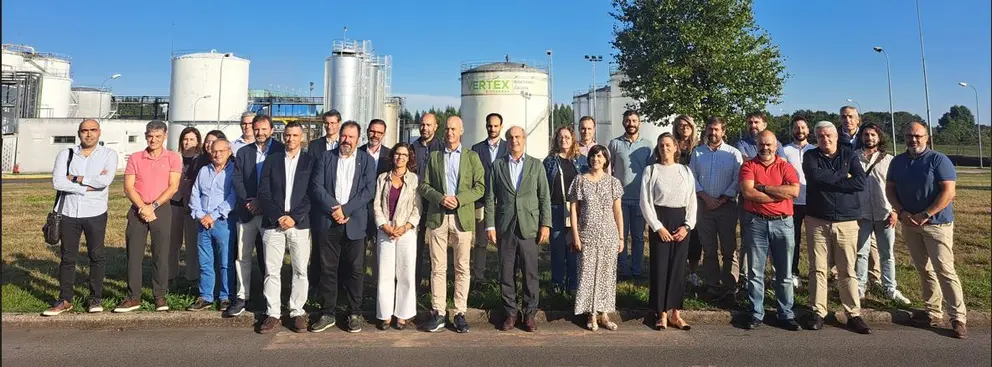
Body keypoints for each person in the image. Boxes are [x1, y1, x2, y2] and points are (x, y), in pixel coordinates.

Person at [886, 121, 968, 339]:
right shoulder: (898, 162)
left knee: (944, 270)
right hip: (909, 224)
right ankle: (933, 312)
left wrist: (926, 214)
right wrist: (901, 211)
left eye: (918, 136)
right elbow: (890, 190)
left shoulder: (938, 160)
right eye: (909, 136)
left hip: (936, 224)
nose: (913, 140)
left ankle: (958, 317)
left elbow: (949, 192)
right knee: (924, 269)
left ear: (927, 137)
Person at [42, 119, 118, 316]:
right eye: (85, 131)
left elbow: (105, 181)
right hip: (68, 212)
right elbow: (58, 182)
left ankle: (95, 298)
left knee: (96, 256)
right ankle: (65, 299)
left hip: (95, 212)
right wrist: (86, 187)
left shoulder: (108, 154)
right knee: (68, 258)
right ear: (79, 133)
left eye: (93, 130)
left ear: (99, 132)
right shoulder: (66, 154)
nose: (89, 134)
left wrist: (75, 178)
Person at [801, 121, 870, 334]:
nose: (825, 139)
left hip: (847, 221)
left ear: (836, 136)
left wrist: (831, 179)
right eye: (821, 136)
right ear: (816, 138)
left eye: (829, 135)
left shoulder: (850, 154)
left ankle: (853, 313)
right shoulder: (810, 156)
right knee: (818, 269)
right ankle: (818, 311)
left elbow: (860, 183)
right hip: (817, 219)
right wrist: (843, 174)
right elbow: (815, 178)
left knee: (847, 269)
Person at [419, 116, 486, 333]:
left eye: (454, 129)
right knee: (438, 267)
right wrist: (439, 197)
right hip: (438, 217)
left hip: (462, 218)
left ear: (461, 131)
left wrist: (460, 199)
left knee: (462, 267)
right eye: (447, 129)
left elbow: (480, 187)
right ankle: (438, 311)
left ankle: (459, 312)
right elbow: (424, 186)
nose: (450, 132)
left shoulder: (471, 157)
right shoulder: (435, 157)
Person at [309, 120, 377, 333]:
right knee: (328, 269)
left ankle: (354, 312)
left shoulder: (366, 161)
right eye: (344, 136)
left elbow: (368, 191)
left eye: (351, 137)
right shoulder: (326, 158)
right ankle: (328, 312)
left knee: (355, 270)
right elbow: (316, 187)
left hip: (354, 223)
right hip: (329, 222)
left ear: (358, 139)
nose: (346, 140)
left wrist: (346, 210)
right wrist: (334, 209)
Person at [486, 126, 551, 332]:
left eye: (518, 137)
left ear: (524, 139)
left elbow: (544, 197)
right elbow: (490, 198)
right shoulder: (498, 166)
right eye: (511, 137)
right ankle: (510, 313)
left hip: (529, 226)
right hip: (505, 226)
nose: (514, 140)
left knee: (530, 273)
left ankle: (530, 314)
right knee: (506, 272)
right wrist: (490, 225)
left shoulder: (535, 165)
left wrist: (545, 224)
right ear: (507, 141)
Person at [114, 120, 181, 313]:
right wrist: (143, 207)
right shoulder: (135, 157)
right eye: (150, 136)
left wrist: (154, 206)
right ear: (145, 136)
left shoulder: (173, 158)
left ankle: (159, 295)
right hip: (138, 208)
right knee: (134, 254)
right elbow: (128, 187)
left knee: (161, 254)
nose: (154, 140)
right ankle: (133, 297)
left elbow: (173, 186)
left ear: (165, 136)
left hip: (161, 208)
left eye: (158, 136)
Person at [738, 130, 800, 331]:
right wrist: (779, 193)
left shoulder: (785, 166)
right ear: (757, 145)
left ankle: (785, 313)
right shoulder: (749, 165)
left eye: (769, 144)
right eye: (761, 144)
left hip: (783, 223)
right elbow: (748, 192)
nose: (765, 148)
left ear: (776, 145)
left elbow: (794, 191)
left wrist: (763, 188)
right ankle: (756, 312)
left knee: (784, 272)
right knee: (755, 271)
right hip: (756, 223)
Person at [256, 122, 314, 334]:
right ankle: (273, 313)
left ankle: (297, 311)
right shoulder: (272, 160)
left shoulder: (309, 161)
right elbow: (264, 191)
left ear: (302, 137)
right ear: (283, 137)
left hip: (299, 224)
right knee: (272, 270)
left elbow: (312, 193)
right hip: (274, 223)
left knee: (300, 270)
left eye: (295, 135)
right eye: (288, 135)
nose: (291, 139)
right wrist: (278, 215)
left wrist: (294, 217)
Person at [639, 133, 698, 331]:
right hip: (660, 221)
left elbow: (692, 200)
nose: (664, 148)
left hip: (681, 222)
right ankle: (661, 313)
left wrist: (687, 226)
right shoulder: (651, 170)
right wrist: (657, 227)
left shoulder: (685, 171)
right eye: (661, 145)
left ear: (675, 148)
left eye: (668, 145)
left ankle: (675, 313)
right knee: (660, 267)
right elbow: (645, 202)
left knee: (678, 269)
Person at [230, 114, 285, 317]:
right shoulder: (243, 152)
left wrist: (264, 203)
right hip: (247, 212)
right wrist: (249, 201)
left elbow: (282, 182)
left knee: (271, 260)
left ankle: (270, 299)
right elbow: (237, 179)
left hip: (271, 214)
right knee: (242, 257)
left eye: (264, 129)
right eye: (257, 129)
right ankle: (242, 297)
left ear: (271, 130)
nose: (260, 133)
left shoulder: (280, 150)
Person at [854, 123, 911, 304]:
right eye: (865, 134)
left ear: (879, 137)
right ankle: (860, 287)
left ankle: (890, 288)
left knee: (887, 254)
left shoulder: (889, 160)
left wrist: (895, 210)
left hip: (885, 213)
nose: (869, 138)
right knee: (861, 252)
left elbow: (898, 188)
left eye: (872, 134)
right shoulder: (853, 158)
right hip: (861, 214)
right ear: (861, 137)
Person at [689, 116, 743, 300]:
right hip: (704, 206)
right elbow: (692, 177)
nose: (713, 133)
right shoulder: (697, 153)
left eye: (716, 129)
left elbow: (738, 178)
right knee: (709, 248)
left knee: (729, 249)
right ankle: (712, 284)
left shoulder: (733, 153)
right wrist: (705, 197)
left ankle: (730, 286)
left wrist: (723, 197)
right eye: (710, 129)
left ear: (723, 131)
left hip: (726, 206)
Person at [570, 145, 623, 331]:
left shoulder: (613, 182)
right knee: (588, 273)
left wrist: (621, 237)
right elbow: (574, 210)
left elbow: (617, 211)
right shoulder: (580, 180)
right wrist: (575, 235)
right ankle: (590, 314)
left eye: (600, 156)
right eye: (593, 155)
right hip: (587, 234)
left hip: (609, 234)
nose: (596, 159)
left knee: (606, 275)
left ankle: (604, 314)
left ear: (606, 160)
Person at [372, 142, 421, 331]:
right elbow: (376, 205)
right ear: (392, 156)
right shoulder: (382, 178)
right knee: (385, 273)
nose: (400, 158)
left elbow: (417, 207)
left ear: (409, 159)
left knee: (406, 273)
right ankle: (385, 315)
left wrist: (407, 226)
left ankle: (403, 314)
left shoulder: (415, 180)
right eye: (397, 154)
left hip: (406, 232)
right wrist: (384, 225)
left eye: (404, 155)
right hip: (386, 231)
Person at [185, 138, 237, 313]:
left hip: (222, 222)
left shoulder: (233, 171)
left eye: (221, 151)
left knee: (225, 262)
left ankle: (225, 296)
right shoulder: (203, 171)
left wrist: (213, 215)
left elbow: (233, 197)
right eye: (214, 151)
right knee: (205, 262)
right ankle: (206, 296)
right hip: (203, 223)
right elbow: (195, 194)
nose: (217, 154)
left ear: (229, 151)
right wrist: (201, 215)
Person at [607, 110, 652, 281]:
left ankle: (637, 270)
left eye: (634, 120)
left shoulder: (647, 146)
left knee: (639, 237)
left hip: (640, 199)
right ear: (623, 123)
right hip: (620, 200)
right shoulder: (615, 144)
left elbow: (650, 172)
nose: (631, 123)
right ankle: (623, 270)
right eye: (628, 120)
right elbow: (608, 170)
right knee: (621, 235)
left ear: (639, 123)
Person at [542, 126, 584, 295]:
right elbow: (543, 188)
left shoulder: (578, 161)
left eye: (567, 137)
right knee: (558, 247)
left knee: (574, 246)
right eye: (560, 137)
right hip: (556, 209)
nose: (563, 140)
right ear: (556, 140)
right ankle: (557, 283)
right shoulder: (550, 161)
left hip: (575, 209)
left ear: (573, 139)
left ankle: (573, 284)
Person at [306, 109, 342, 293]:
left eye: (333, 123)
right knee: (318, 246)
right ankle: (315, 285)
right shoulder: (315, 146)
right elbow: (311, 175)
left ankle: (338, 285)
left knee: (338, 248)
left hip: (341, 205)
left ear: (339, 123)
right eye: (326, 123)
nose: (329, 126)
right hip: (319, 204)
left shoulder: (345, 144)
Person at [470, 113, 507, 285]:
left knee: (503, 241)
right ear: (486, 126)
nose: (492, 129)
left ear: (501, 126)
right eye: (489, 126)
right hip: (481, 201)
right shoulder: (476, 149)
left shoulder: (508, 148)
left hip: (502, 202)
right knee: (480, 241)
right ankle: (478, 276)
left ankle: (504, 275)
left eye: (495, 126)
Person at [412, 113, 446, 289]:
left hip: (435, 203)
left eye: (428, 125)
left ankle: (436, 286)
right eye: (422, 124)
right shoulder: (412, 148)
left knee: (436, 247)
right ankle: (415, 284)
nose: (425, 128)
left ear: (435, 127)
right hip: (415, 203)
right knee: (415, 245)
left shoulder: (442, 148)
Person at [782, 116, 816, 288]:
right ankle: (793, 272)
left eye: (803, 127)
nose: (800, 130)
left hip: (813, 201)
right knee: (793, 240)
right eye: (796, 127)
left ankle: (815, 272)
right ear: (792, 130)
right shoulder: (784, 150)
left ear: (808, 131)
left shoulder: (815, 150)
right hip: (792, 202)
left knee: (815, 240)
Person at [359, 119, 393, 283]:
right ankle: (359, 283)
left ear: (384, 134)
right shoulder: (357, 153)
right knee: (359, 250)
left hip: (381, 210)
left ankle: (377, 284)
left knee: (380, 250)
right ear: (367, 131)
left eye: (379, 132)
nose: (375, 135)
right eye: (373, 131)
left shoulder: (390, 155)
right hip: (360, 209)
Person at [672, 115, 703, 287]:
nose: (684, 128)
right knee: (676, 233)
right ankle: (677, 271)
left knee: (694, 236)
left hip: (694, 196)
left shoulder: (699, 147)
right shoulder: (672, 146)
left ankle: (692, 272)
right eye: (680, 125)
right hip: (675, 196)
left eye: (687, 125)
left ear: (692, 127)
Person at [169, 127, 202, 286]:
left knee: (192, 242)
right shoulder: (174, 158)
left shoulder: (202, 160)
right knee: (172, 242)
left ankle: (192, 277)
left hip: (193, 206)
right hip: (174, 204)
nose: (188, 142)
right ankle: (170, 275)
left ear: (198, 142)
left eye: (192, 139)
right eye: (185, 139)